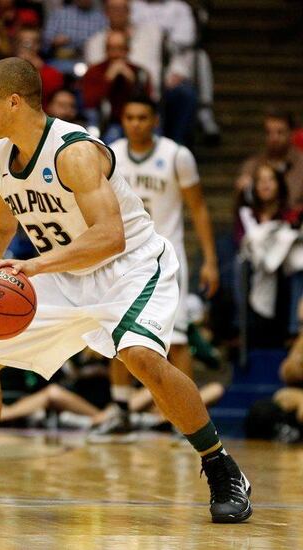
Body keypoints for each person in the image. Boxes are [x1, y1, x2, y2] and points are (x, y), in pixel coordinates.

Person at [0, 57, 251, 523]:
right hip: (63, 273)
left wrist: (34, 265)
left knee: (140, 356)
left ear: (13, 100)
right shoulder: (2, 156)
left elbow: (111, 235)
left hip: (130, 266)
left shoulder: (75, 151)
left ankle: (221, 467)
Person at [94, 96, 219, 437]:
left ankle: (188, 421)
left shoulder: (177, 155)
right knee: (116, 337)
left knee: (176, 341)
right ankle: (121, 412)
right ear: (122, 119)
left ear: (155, 120)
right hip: (122, 255)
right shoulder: (109, 152)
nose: (136, 123)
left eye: (143, 117)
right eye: (130, 117)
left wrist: (209, 259)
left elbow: (199, 209)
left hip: (167, 257)